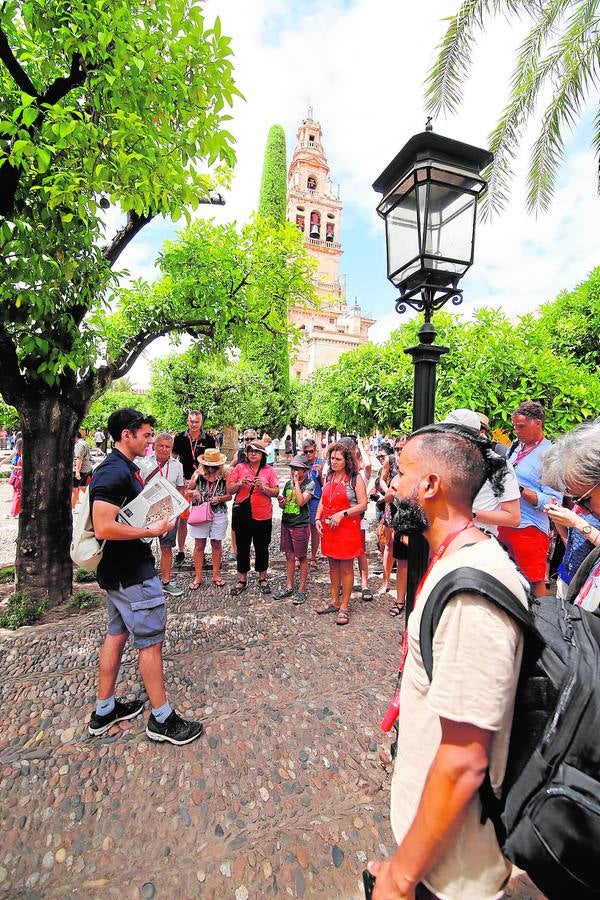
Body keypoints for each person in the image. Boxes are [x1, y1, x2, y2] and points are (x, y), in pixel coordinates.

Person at [367, 422, 528, 899]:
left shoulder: (471, 593)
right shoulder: (455, 560)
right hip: (433, 852)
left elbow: (463, 761)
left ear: (431, 485)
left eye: (400, 473)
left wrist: (398, 880)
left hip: (454, 870)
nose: (391, 486)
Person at [88, 408, 203, 745]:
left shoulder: (124, 467)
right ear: (127, 434)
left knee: (116, 635)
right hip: (132, 575)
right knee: (150, 644)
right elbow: (104, 525)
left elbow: (125, 513)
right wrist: (150, 529)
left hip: (118, 572)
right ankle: (162, 719)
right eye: (147, 435)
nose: (152, 440)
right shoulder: (112, 471)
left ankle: (105, 708)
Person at [498, 401, 559, 596]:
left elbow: (554, 502)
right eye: (515, 426)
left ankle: (540, 623)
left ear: (538, 423)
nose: (516, 431)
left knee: (534, 581)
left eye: (521, 426)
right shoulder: (516, 447)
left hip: (529, 528)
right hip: (504, 523)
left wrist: (520, 489)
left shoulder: (550, 454)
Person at [542, 419, 600, 610]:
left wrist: (576, 522)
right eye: (575, 501)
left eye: (584, 499)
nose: (582, 510)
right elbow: (569, 542)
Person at [442, 409, 521, 538]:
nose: (445, 436)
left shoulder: (497, 465)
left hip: (477, 545)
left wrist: (470, 512)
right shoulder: (444, 459)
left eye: (451, 431)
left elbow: (513, 518)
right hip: (444, 542)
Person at [315, 441, 367, 626]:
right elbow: (322, 498)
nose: (334, 461)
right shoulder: (329, 476)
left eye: (338, 459)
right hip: (329, 528)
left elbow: (363, 504)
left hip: (347, 529)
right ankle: (334, 601)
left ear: (347, 460)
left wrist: (342, 514)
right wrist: (317, 519)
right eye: (332, 458)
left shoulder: (355, 478)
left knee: (346, 568)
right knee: (332, 567)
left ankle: (344, 605)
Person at [136, 432, 186, 597]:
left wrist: (179, 510)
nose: (164, 449)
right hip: (147, 514)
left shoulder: (177, 466)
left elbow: (180, 489)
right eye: (161, 446)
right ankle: (145, 581)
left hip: (169, 514)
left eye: (168, 447)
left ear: (172, 448)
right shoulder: (143, 464)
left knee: (166, 548)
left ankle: (165, 581)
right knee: (144, 548)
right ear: (154, 446)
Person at [227, 439, 279, 596]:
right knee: (242, 547)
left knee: (262, 546)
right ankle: (241, 579)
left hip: (263, 514)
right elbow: (229, 489)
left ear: (262, 454)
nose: (252, 454)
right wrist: (240, 484)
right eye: (250, 451)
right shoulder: (239, 468)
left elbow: (276, 492)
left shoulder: (269, 470)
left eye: (256, 451)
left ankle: (263, 577)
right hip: (243, 514)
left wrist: (263, 488)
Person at [172, 410, 216, 566]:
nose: (194, 424)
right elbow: (174, 459)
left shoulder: (209, 439)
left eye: (197, 422)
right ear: (187, 421)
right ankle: (181, 551)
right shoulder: (179, 438)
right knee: (182, 518)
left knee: (202, 517)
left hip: (201, 482)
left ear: (201, 422)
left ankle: (200, 552)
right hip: (183, 482)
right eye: (191, 421)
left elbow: (212, 461)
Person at [186, 448, 231, 590]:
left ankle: (216, 574)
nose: (211, 469)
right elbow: (187, 491)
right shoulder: (198, 474)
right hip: (200, 512)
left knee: (217, 544)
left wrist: (220, 498)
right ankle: (198, 576)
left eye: (214, 466)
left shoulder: (225, 475)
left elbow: (229, 495)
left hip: (218, 513)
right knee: (199, 545)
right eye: (208, 465)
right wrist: (195, 492)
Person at [275, 454, 315, 605]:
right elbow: (285, 505)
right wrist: (282, 502)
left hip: (300, 525)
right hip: (287, 522)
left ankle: (302, 588)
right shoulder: (287, 484)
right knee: (289, 556)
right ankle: (289, 586)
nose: (294, 472)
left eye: (297, 469)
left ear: (304, 470)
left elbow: (300, 501)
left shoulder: (310, 484)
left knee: (302, 557)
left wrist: (297, 483)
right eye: (292, 469)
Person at [302, 437, 324, 568]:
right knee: (302, 529)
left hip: (315, 498)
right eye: (306, 452)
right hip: (302, 499)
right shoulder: (301, 462)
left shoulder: (320, 462)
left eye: (311, 451)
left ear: (315, 451)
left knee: (314, 529)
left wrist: (321, 472)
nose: (308, 454)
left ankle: (313, 556)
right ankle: (301, 555)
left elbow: (324, 484)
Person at [72, 431, 93, 508]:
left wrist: (77, 472)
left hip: (80, 470)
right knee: (82, 487)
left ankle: (72, 507)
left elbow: (79, 458)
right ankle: (93, 501)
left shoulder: (79, 445)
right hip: (87, 469)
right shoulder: (85, 443)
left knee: (74, 489)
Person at [8, 437, 23, 518]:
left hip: (20, 477)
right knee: (16, 495)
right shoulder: (22, 454)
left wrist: (15, 467)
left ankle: (14, 513)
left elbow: (24, 467)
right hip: (18, 476)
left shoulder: (23, 455)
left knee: (17, 495)